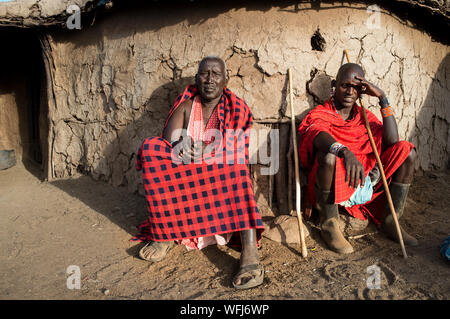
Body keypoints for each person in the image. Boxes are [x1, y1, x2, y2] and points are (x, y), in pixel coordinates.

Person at [131, 56, 265, 289]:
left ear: (226, 80)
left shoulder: (236, 108)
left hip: (218, 185)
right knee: (152, 148)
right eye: (204, 73)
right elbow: (168, 141)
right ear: (197, 78)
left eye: (216, 74)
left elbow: (238, 148)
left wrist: (210, 150)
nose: (210, 79)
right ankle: (164, 233)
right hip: (185, 181)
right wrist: (182, 145)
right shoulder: (186, 106)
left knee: (237, 166)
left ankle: (250, 253)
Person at [298, 63, 418, 254]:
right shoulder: (322, 113)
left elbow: (392, 140)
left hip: (364, 180)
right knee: (329, 156)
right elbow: (317, 132)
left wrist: (383, 98)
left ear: (362, 91)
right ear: (334, 85)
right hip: (334, 179)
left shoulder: (364, 117)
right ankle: (329, 223)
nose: (349, 92)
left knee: (406, 151)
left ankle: (390, 219)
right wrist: (344, 152)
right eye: (345, 85)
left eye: (356, 87)